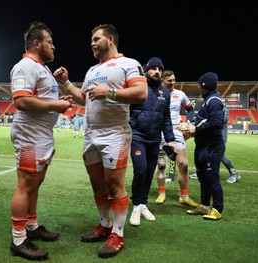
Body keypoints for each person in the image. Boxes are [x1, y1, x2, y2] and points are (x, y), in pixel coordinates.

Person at [54, 24, 147, 258]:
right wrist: (65, 83)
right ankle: (104, 225)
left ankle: (118, 234)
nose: (92, 43)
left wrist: (111, 92)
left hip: (115, 133)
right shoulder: (92, 70)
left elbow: (140, 93)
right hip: (91, 133)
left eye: (96, 39)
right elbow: (83, 99)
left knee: (115, 185)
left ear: (111, 39)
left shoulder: (129, 64)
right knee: (97, 185)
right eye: (91, 41)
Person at [9, 21, 72, 261]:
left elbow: (38, 98)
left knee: (35, 183)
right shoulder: (26, 65)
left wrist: (56, 101)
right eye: (50, 42)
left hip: (41, 134)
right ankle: (18, 240)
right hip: (30, 135)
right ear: (37, 43)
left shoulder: (41, 67)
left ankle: (32, 227)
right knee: (26, 184)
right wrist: (56, 105)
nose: (53, 46)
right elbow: (21, 100)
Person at [128, 57, 175, 226]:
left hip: (155, 139)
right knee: (140, 170)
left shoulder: (166, 93)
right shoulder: (138, 88)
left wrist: (170, 139)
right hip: (137, 136)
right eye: (153, 68)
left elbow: (167, 117)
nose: (157, 71)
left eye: (160, 69)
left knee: (149, 173)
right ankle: (135, 206)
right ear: (146, 70)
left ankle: (143, 205)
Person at [184, 72, 225, 220]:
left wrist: (196, 129)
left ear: (203, 85)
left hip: (212, 146)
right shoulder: (208, 100)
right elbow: (206, 123)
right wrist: (194, 131)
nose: (197, 87)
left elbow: (217, 122)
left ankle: (218, 209)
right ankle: (205, 207)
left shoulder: (214, 101)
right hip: (203, 145)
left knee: (212, 179)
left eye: (198, 84)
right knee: (203, 177)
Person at [154, 70, 198, 207]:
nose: (173, 82)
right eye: (169, 81)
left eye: (174, 80)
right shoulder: (155, 93)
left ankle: (184, 196)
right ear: (162, 81)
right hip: (160, 132)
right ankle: (161, 193)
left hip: (176, 131)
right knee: (161, 165)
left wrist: (188, 123)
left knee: (183, 165)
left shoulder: (180, 94)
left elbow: (190, 110)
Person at [189, 98, 241, 184]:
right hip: (209, 134)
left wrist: (206, 122)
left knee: (220, 155)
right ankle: (202, 172)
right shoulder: (209, 104)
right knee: (205, 153)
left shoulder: (220, 104)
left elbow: (222, 119)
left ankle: (234, 173)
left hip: (219, 135)